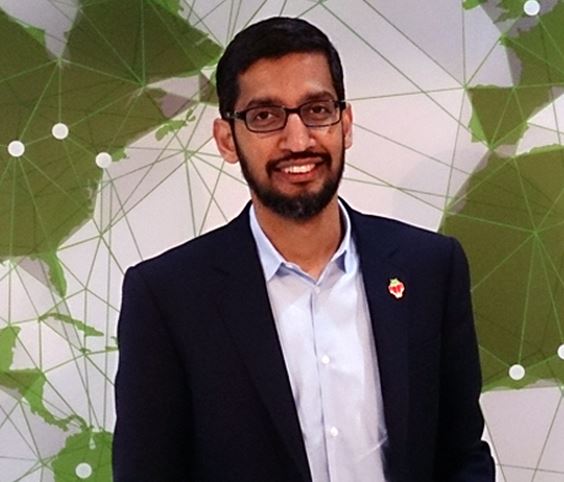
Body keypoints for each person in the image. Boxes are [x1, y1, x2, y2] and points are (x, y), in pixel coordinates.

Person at [113, 17, 495, 482]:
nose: (298, 141)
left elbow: (461, 455)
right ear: (227, 139)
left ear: (345, 124)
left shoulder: (429, 267)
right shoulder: (167, 296)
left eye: (316, 110)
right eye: (264, 116)